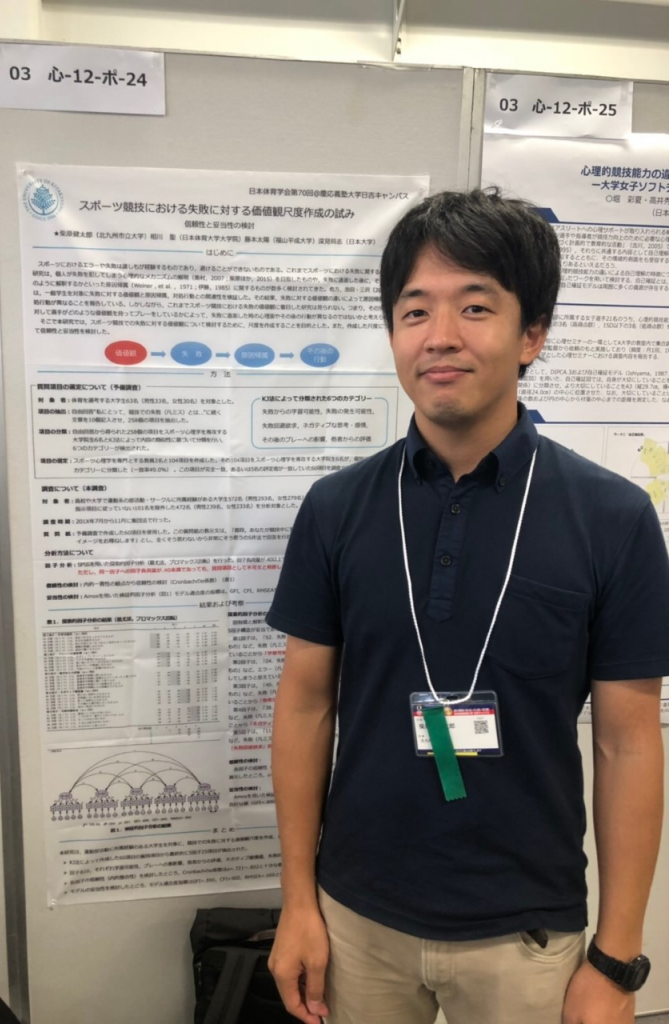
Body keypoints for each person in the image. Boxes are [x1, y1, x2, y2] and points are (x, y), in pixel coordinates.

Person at [265, 188, 669, 1024]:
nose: (440, 335)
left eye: (475, 307)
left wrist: (615, 959)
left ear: (531, 335)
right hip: (355, 919)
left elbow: (628, 742)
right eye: (414, 310)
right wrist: (297, 901)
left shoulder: (612, 518)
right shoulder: (336, 508)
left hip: (528, 932)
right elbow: (304, 707)